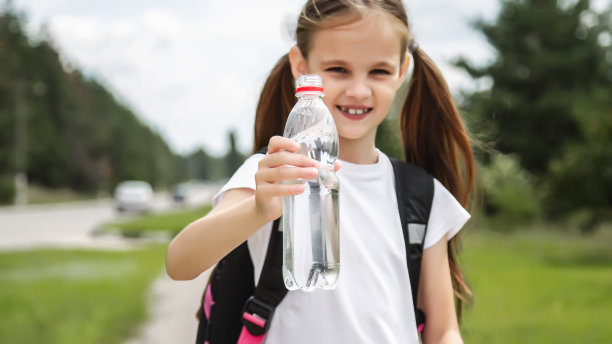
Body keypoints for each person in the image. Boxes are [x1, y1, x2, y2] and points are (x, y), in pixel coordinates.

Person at [166, 0, 476, 343]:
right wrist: (257, 210)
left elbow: (443, 328)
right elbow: (180, 262)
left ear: (402, 71)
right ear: (300, 66)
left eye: (379, 71)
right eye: (338, 69)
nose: (358, 90)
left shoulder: (422, 195)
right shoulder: (272, 174)